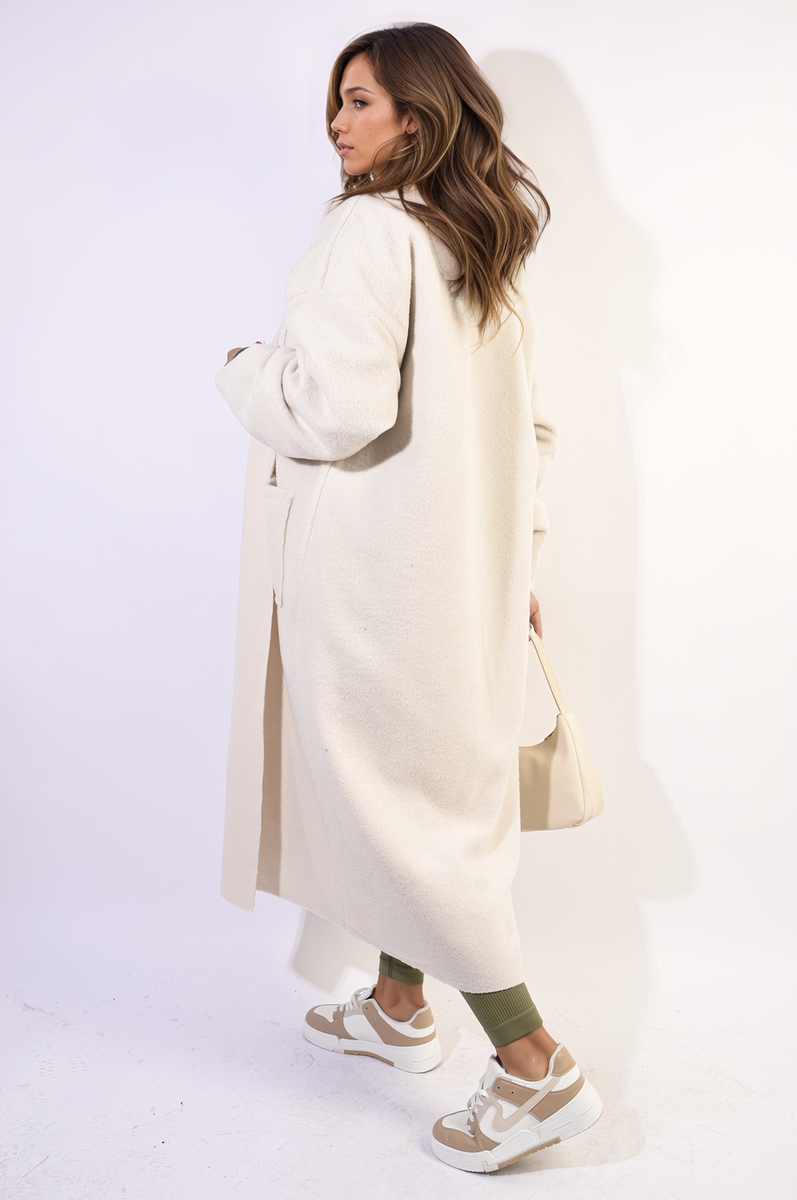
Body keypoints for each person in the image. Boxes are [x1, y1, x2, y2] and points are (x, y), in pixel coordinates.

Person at [215, 22, 602, 1173]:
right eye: (337, 100)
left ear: (418, 118)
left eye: (361, 101)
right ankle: (396, 1006)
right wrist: (515, 566)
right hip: (458, 582)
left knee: (402, 813)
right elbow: (530, 433)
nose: (337, 122)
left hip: (370, 585)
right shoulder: (477, 243)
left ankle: (532, 1065)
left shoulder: (369, 233)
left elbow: (331, 411)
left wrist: (242, 371)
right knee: (422, 793)